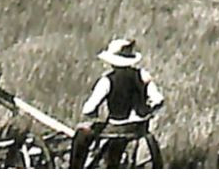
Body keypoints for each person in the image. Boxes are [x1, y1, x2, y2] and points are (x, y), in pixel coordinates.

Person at [69, 38, 164, 168]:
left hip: (116, 126)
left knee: (81, 133)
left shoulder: (107, 80)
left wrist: (93, 113)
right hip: (139, 128)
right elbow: (158, 100)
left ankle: (74, 168)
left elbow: (88, 109)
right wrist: (147, 110)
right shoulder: (142, 75)